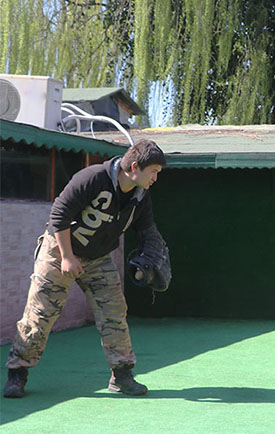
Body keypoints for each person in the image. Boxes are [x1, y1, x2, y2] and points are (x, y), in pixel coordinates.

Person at [3, 140, 167, 398]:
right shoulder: (92, 177)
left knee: (114, 312)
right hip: (59, 250)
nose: (156, 178)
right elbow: (59, 215)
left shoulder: (140, 196)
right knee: (40, 314)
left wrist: (148, 260)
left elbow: (147, 230)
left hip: (98, 258)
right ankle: (17, 373)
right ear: (135, 167)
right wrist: (67, 256)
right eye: (154, 171)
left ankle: (121, 375)